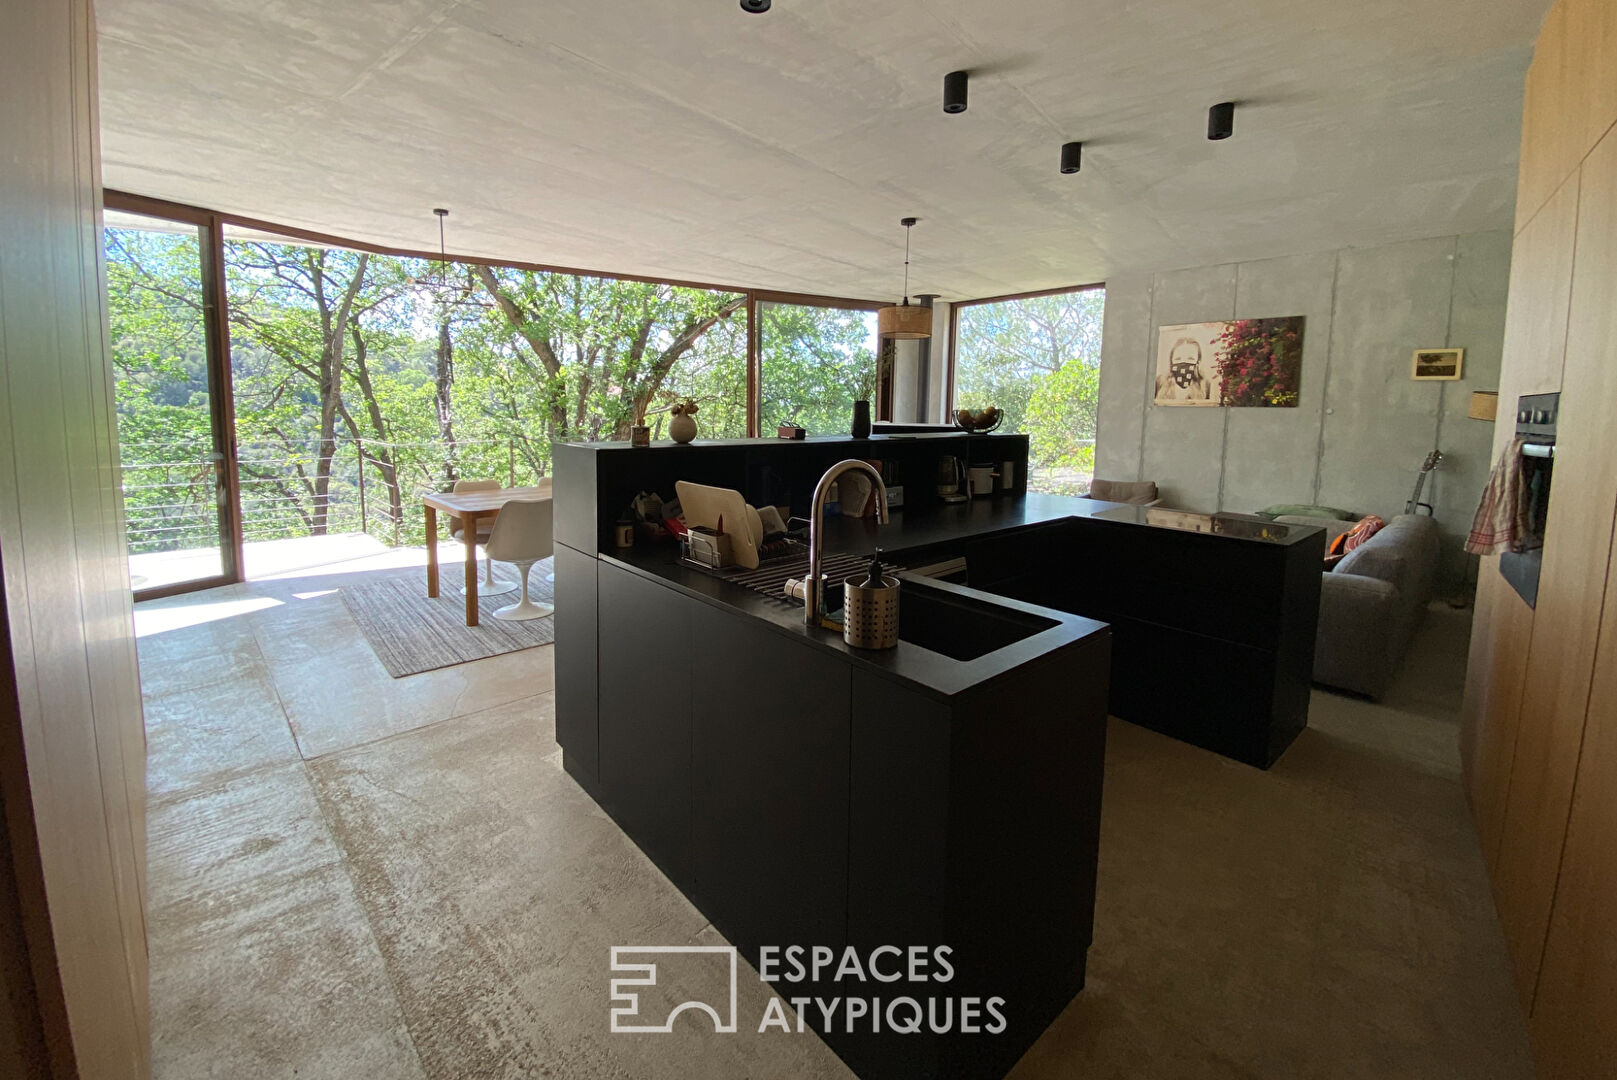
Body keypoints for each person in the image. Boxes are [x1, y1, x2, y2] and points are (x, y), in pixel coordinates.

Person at [1155, 336, 1215, 403]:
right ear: (1171, 361)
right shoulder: (1159, 381)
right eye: (1178, 358)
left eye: (1190, 359)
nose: (1183, 363)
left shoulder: (1206, 384)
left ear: (1198, 361)